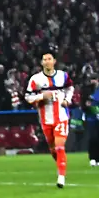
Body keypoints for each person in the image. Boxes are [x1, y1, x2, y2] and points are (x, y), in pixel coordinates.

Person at [26, 52, 73, 188]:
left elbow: (70, 88)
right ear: (42, 63)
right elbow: (28, 97)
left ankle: (61, 177)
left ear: (54, 61)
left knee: (59, 146)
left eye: (49, 59)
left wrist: (67, 100)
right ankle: (60, 166)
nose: (47, 61)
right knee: (53, 149)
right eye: (44, 59)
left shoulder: (62, 76)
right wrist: (41, 96)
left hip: (61, 117)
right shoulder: (36, 79)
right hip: (46, 119)